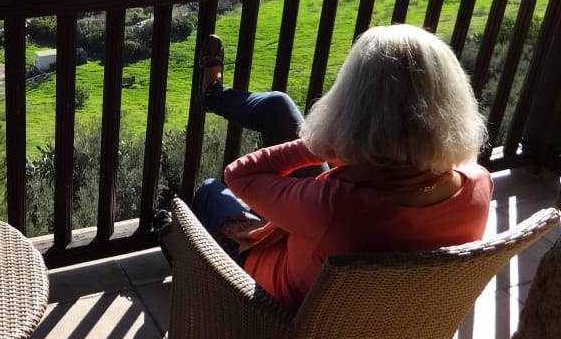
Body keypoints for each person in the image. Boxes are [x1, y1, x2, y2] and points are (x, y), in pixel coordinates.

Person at [189, 24, 493, 314]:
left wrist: (330, 139)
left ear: (354, 108)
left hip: (273, 304)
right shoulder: (478, 184)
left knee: (210, 191)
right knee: (277, 106)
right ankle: (213, 94)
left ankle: (182, 256)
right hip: (371, 319)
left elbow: (240, 174)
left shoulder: (336, 207)